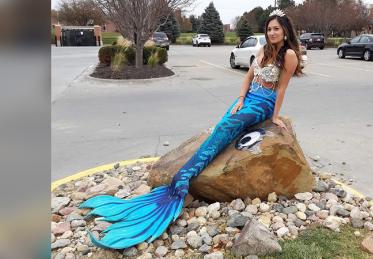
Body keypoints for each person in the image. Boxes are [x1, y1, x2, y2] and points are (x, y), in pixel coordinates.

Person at [80, 9, 303, 250]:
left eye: (276, 29)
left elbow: (281, 88)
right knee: (221, 128)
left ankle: (184, 176)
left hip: (263, 103)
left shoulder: (289, 55)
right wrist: (239, 99)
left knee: (229, 126)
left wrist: (275, 116)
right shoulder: (262, 50)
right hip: (248, 99)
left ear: (284, 31)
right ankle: (186, 173)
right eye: (269, 28)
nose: (271, 32)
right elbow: (248, 77)